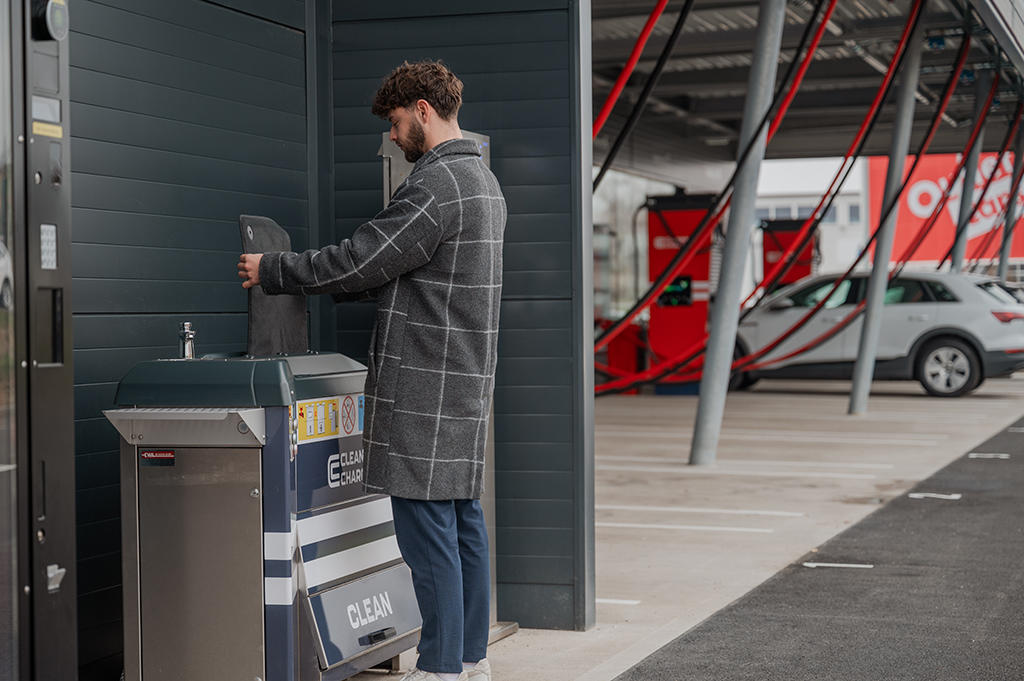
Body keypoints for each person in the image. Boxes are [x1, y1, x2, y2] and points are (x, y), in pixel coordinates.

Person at [238, 61, 505, 681]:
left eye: (393, 123)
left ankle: (439, 669)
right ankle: (469, 660)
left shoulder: (436, 187)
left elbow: (362, 259)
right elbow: (412, 275)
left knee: (427, 532)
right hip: (462, 378)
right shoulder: (484, 183)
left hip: (424, 386)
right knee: (463, 523)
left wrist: (273, 269)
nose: (391, 137)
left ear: (421, 110)